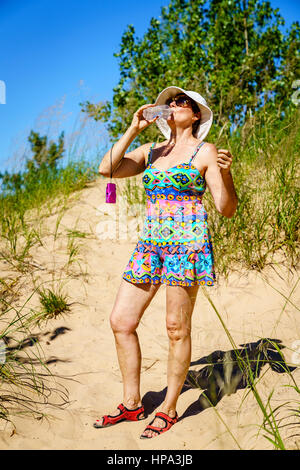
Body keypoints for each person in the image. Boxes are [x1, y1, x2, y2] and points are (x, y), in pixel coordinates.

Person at [94, 86, 238, 439]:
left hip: (186, 247)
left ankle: (169, 407)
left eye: (180, 102)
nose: (172, 106)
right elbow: (106, 170)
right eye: (169, 103)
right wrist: (133, 128)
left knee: (176, 328)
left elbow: (226, 209)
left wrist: (228, 174)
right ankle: (131, 404)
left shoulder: (206, 152)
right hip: (150, 247)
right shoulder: (151, 151)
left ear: (197, 114)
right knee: (121, 321)